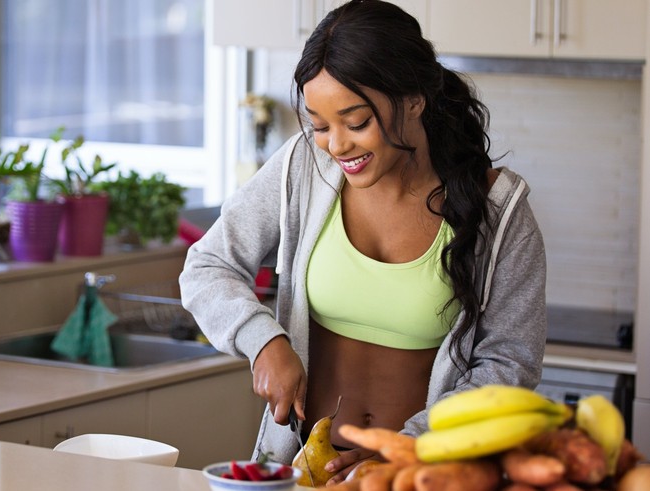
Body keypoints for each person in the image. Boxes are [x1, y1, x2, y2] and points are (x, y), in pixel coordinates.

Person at [179, 0, 547, 486]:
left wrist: (407, 449)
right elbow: (207, 266)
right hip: (304, 471)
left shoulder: (498, 208)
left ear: (414, 100)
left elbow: (509, 364)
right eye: (319, 125)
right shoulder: (303, 168)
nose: (336, 146)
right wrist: (263, 340)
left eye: (356, 123)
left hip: (422, 476)